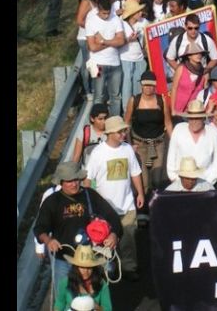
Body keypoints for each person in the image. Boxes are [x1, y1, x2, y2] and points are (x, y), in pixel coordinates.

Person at [34, 162, 123, 281]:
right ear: (61, 182)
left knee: (93, 297)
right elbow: (40, 228)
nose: (74, 184)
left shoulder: (90, 195)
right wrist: (48, 240)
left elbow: (113, 217)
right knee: (64, 297)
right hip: (63, 260)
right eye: (69, 181)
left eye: (76, 179)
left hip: (91, 258)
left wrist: (113, 234)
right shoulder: (52, 201)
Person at [84, 116, 144, 281]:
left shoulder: (127, 149)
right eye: (119, 132)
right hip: (105, 207)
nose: (123, 134)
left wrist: (140, 193)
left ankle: (129, 267)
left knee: (129, 236)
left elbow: (135, 173)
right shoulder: (98, 153)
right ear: (110, 133)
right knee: (104, 239)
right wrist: (89, 203)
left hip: (127, 203)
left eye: (124, 131)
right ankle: (107, 268)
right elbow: (88, 179)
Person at [124, 71, 173, 201]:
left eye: (151, 85)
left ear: (155, 86)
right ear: (141, 85)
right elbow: (127, 123)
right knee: (144, 182)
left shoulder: (161, 99)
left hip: (158, 144)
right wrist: (129, 144)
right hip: (139, 144)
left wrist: (174, 142)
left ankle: (156, 207)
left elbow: (167, 122)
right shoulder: (134, 100)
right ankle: (144, 211)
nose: (148, 88)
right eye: (145, 85)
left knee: (157, 180)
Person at [166, 99, 217, 184]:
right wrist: (176, 181)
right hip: (179, 182)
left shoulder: (213, 133)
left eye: (197, 118)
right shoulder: (178, 129)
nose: (194, 121)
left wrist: (207, 183)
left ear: (204, 118)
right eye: (191, 118)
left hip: (205, 183)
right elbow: (171, 159)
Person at [86, 0, 126, 117]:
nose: (107, 15)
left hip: (115, 63)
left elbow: (121, 41)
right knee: (99, 95)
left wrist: (103, 41)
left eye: (108, 13)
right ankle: (96, 121)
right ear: (98, 9)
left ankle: (115, 121)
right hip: (98, 64)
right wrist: (112, 42)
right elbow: (92, 47)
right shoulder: (91, 21)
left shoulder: (115, 19)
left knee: (116, 96)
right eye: (104, 13)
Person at [53, 244, 112, 311]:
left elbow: (108, 309)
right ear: (75, 267)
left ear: (94, 268)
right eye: (82, 267)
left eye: (89, 267)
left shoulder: (101, 284)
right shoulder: (65, 282)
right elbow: (60, 303)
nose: (86, 271)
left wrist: (96, 306)